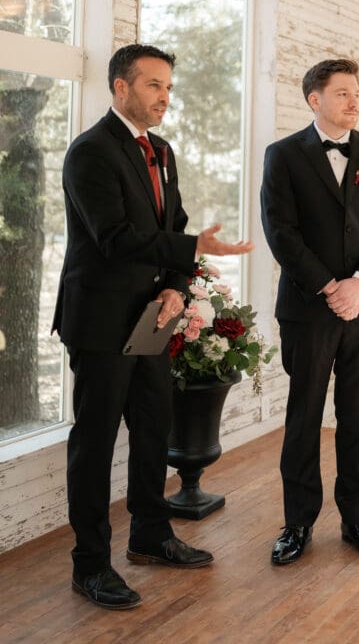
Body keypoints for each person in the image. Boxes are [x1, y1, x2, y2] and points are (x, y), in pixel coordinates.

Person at [52, 44, 254, 610]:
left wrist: (175, 283)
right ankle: (90, 565)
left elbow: (174, 224)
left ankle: (150, 535)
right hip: (99, 322)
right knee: (93, 445)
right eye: (153, 86)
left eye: (168, 87)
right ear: (121, 87)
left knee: (152, 427)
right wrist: (193, 248)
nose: (165, 97)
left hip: (153, 317)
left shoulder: (161, 151)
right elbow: (113, 237)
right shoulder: (90, 152)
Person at [260, 58, 359, 566]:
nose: (354, 101)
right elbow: (281, 233)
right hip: (307, 309)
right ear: (314, 99)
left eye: (356, 92)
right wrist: (328, 287)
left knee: (358, 417)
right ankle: (297, 523)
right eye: (342, 93)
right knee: (304, 418)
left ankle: (358, 521)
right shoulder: (282, 156)